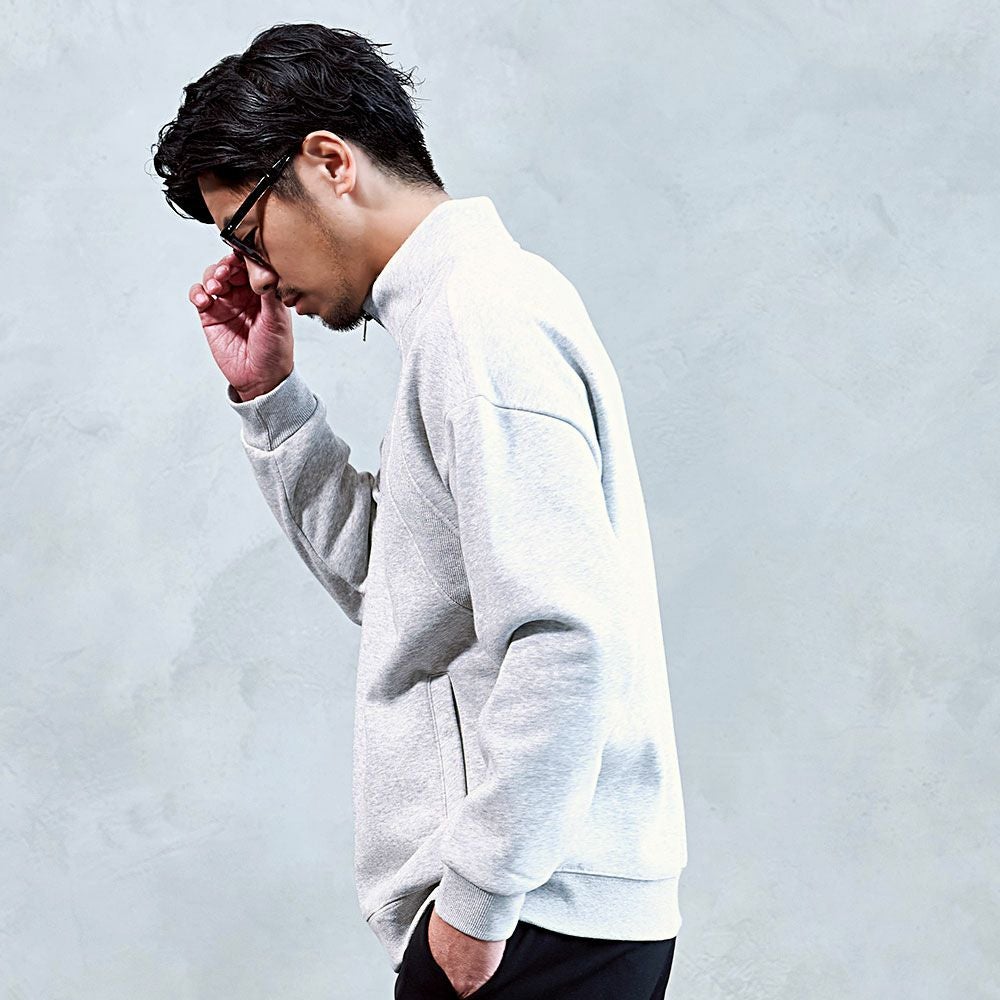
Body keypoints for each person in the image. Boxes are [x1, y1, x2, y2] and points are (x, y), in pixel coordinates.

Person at [151, 22, 687, 999]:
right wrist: (270, 400)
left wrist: (474, 906)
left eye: (249, 234)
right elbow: (402, 589)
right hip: (539, 911)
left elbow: (566, 636)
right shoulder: (464, 313)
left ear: (329, 162)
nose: (255, 275)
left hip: (530, 918)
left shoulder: (481, 320)